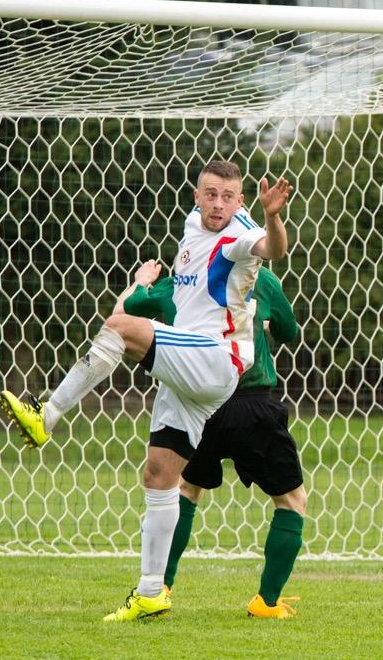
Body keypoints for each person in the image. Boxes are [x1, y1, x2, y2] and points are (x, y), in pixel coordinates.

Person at [0, 160, 292, 621]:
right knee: (159, 474)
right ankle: (152, 591)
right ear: (196, 197)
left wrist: (273, 216)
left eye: (228, 197)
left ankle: (46, 417)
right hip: (192, 371)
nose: (218, 204)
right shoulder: (192, 225)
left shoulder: (241, 236)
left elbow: (271, 248)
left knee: (120, 326)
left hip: (217, 360)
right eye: (210, 194)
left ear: (240, 201)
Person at [117, 260, 307, 619]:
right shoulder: (260, 278)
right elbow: (289, 331)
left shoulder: (178, 284)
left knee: (186, 490)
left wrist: (140, 282)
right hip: (252, 404)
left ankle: (162, 586)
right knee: (292, 500)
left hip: (199, 404)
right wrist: (262, 322)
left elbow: (127, 309)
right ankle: (266, 603)